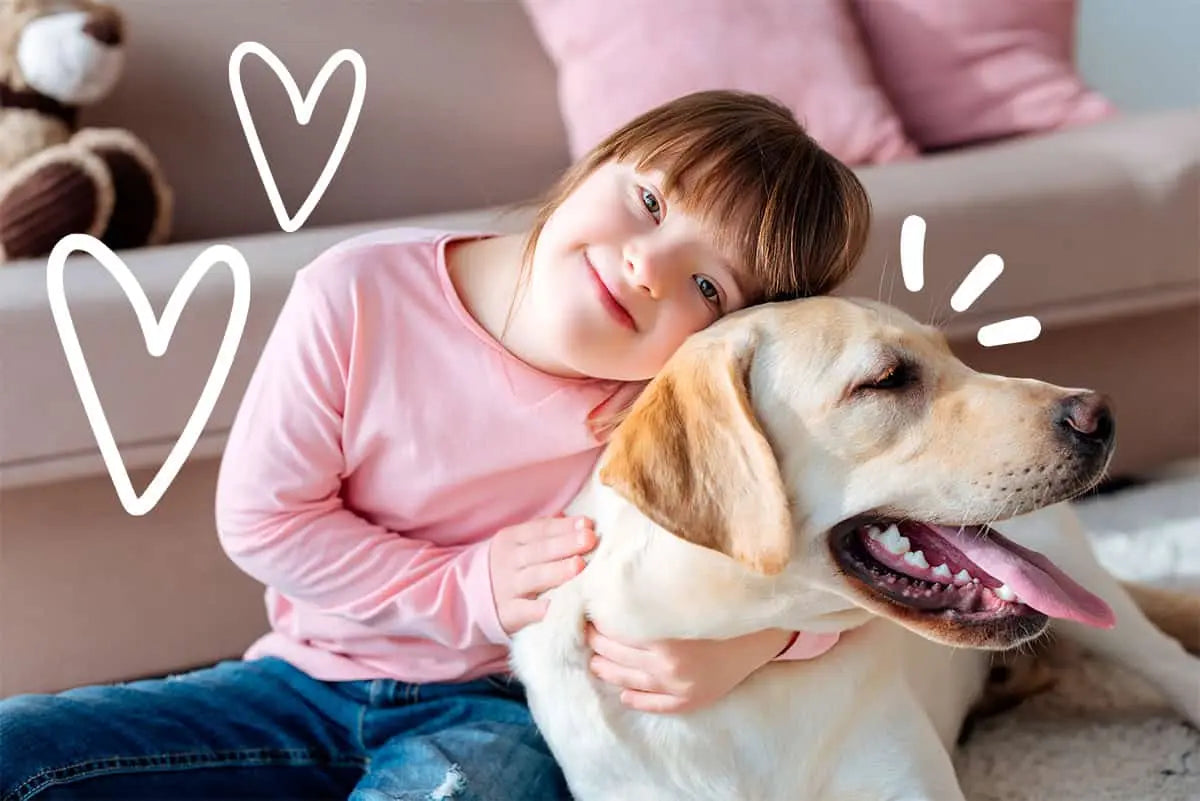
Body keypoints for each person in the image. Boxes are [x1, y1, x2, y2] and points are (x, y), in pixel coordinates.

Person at [0, 90, 871, 801]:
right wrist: (472, 586)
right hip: (301, 685)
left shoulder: (677, 408)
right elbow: (266, 522)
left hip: (510, 712)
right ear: (594, 161)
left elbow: (838, 565)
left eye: (709, 285)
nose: (650, 267)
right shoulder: (359, 292)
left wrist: (751, 647)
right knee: (22, 750)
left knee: (465, 786)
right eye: (649, 201)